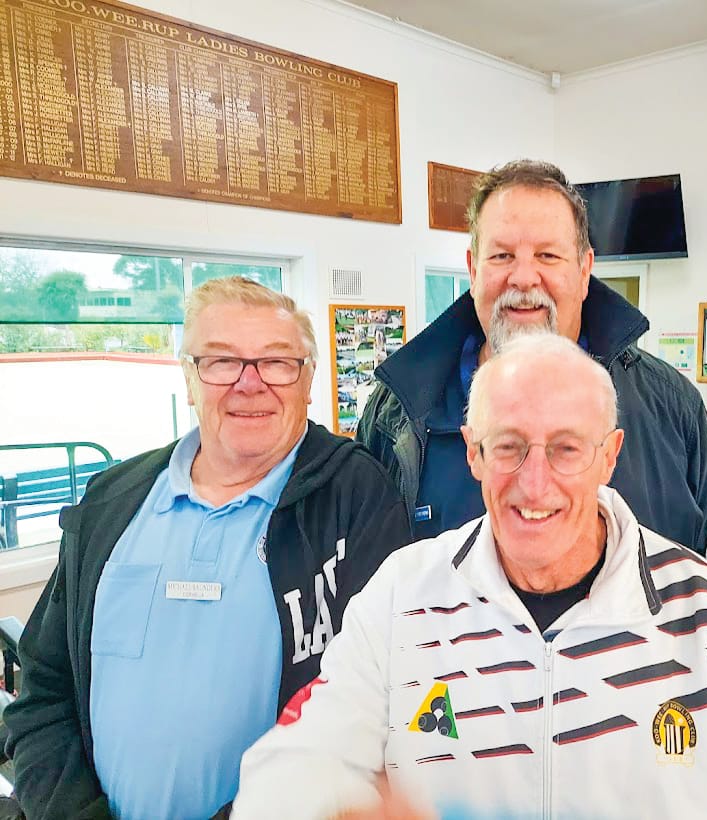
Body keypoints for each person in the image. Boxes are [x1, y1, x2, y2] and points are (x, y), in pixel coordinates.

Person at [233, 333, 707, 820]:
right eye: (507, 446)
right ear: (473, 454)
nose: (534, 484)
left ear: (609, 456)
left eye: (566, 449)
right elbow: (292, 764)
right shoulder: (402, 596)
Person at [4, 278, 411, 820]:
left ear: (308, 379)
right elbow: (45, 689)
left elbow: (375, 705)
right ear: (190, 379)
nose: (250, 383)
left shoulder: (357, 497)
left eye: (277, 361)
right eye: (221, 361)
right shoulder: (110, 502)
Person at [357, 159, 707, 551]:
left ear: (584, 270)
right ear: (473, 270)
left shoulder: (670, 406)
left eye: (547, 256)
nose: (523, 277)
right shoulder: (395, 414)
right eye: (501, 256)